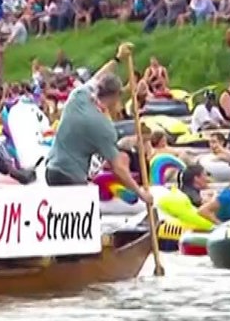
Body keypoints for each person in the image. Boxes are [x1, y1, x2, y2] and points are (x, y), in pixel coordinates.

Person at [43, 46, 153, 207]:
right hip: (72, 177)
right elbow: (118, 168)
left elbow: (98, 76)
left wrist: (117, 59)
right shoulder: (104, 128)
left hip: (51, 171)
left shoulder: (79, 96)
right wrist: (141, 193)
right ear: (116, 96)